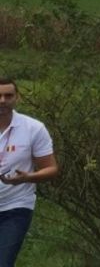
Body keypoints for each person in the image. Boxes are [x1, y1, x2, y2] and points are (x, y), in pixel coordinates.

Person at [0, 78, 58, 266]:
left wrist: (27, 178)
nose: (2, 100)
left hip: (15, 206)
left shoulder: (33, 128)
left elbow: (51, 168)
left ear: (17, 98)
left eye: (8, 96)